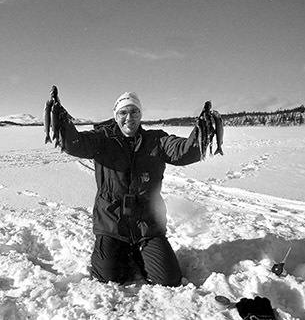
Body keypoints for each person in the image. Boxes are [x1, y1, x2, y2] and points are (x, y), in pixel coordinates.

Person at [54, 91, 208, 286]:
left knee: (169, 279)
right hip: (112, 223)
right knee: (108, 277)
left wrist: (201, 134)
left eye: (134, 112)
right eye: (123, 113)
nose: (129, 117)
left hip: (147, 225)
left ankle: (140, 251)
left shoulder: (157, 140)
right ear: (116, 115)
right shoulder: (102, 138)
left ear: (140, 115)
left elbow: (183, 152)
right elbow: (75, 144)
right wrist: (62, 122)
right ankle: (123, 252)